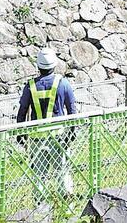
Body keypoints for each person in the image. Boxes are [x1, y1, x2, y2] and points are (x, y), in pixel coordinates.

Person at [17, 47, 76, 204]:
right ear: (54, 65)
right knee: (62, 172)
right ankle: (67, 208)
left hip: (37, 139)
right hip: (59, 138)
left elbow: (22, 111)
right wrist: (72, 132)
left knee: (39, 176)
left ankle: (40, 211)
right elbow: (72, 112)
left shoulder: (30, 86)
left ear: (38, 66)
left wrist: (20, 134)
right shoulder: (63, 84)